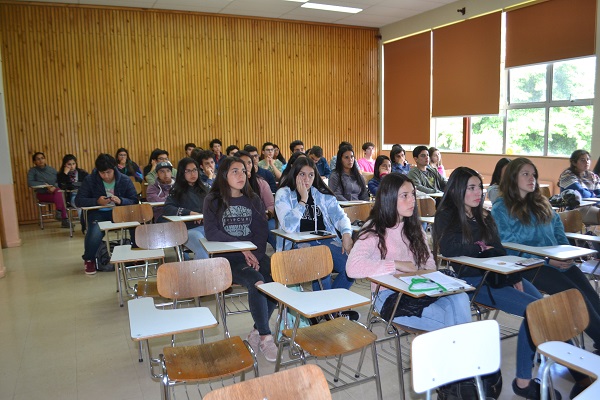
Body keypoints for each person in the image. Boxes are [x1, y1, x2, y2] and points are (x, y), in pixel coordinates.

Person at [433, 166, 560, 400]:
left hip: (500, 274)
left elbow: (499, 250)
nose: (477, 193)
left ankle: (551, 361)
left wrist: (510, 275)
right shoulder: (447, 215)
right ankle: (523, 381)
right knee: (533, 311)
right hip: (473, 282)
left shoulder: (484, 215)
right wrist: (483, 248)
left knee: (542, 307)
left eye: (479, 188)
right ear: (458, 190)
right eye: (471, 188)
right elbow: (451, 249)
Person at [492, 157, 600, 396]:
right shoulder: (501, 208)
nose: (532, 179)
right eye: (526, 174)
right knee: (576, 297)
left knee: (589, 294)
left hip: (556, 260)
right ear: (513, 179)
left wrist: (567, 254)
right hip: (531, 266)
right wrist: (548, 260)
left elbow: (559, 234)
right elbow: (507, 247)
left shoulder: (542, 202)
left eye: (534, 174)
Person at [347, 173, 471, 330]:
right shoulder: (374, 229)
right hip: (389, 295)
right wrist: (397, 265)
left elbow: (429, 262)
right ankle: (462, 346)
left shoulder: (414, 227)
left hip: (420, 288)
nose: (412, 199)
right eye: (404, 195)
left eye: (413, 194)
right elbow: (352, 268)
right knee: (450, 319)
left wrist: (426, 275)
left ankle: (458, 346)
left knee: (460, 298)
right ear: (389, 198)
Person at [203, 156, 278, 362]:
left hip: (254, 254)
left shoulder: (253, 199)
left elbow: (261, 232)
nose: (241, 175)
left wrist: (256, 255)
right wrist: (243, 249)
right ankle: (265, 336)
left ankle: (256, 331)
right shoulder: (213, 200)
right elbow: (212, 233)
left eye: (244, 171)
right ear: (224, 174)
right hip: (228, 259)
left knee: (275, 280)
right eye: (235, 171)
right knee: (257, 281)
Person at [275, 157, 355, 292]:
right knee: (322, 266)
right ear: (294, 174)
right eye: (302, 174)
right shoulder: (284, 193)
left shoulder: (321, 194)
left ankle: (330, 309)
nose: (307, 179)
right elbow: (288, 226)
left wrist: (346, 234)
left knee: (352, 267)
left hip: (325, 241)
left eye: (311, 175)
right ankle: (329, 311)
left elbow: (341, 216)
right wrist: (303, 200)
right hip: (296, 244)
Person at [75, 154, 139, 275]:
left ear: (114, 168)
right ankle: (89, 259)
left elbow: (134, 200)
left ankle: (136, 253)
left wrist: (121, 201)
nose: (106, 176)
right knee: (94, 229)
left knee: (135, 224)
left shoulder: (124, 179)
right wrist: (96, 201)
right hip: (99, 213)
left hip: (120, 212)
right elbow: (79, 200)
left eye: (108, 172)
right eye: (102, 173)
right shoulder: (90, 180)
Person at [162, 158, 209, 260]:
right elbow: (167, 209)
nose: (193, 174)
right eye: (188, 171)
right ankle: (202, 274)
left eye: (195, 170)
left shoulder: (206, 188)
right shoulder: (176, 190)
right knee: (202, 246)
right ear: (182, 173)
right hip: (187, 230)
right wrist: (190, 213)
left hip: (207, 227)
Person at [238, 150, 277, 250]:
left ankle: (282, 256)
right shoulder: (232, 185)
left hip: (263, 218)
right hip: (240, 220)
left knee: (271, 229)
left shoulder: (261, 182)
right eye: (243, 163)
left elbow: (271, 205)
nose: (247, 166)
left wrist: (267, 214)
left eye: (249, 162)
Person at [27, 152, 69, 228]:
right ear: (34, 162)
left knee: (59, 193)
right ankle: (64, 219)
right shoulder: (33, 171)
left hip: (55, 193)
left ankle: (59, 212)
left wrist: (54, 187)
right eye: (38, 159)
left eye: (42, 158)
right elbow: (30, 183)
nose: (41, 160)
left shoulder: (52, 170)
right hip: (43, 194)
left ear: (45, 159)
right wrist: (45, 185)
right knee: (61, 197)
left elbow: (59, 180)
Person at [558, 149, 600, 225]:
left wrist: (595, 198)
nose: (586, 162)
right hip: (576, 209)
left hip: (593, 206)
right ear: (574, 162)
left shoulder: (592, 176)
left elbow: (599, 193)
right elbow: (582, 193)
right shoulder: (567, 175)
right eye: (582, 160)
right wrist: (594, 195)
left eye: (588, 159)